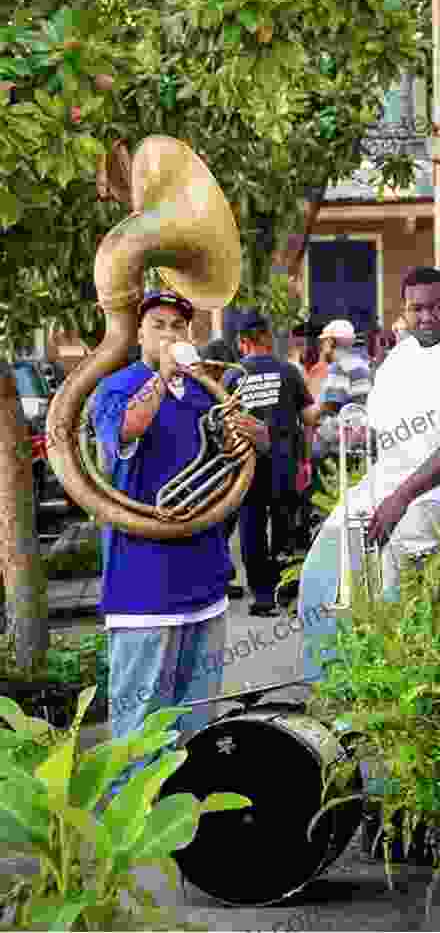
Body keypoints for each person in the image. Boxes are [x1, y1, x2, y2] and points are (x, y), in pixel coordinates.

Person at [297, 266, 440, 682]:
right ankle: (333, 690)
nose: (426, 316)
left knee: (391, 566)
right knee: (321, 571)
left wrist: (401, 499)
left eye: (435, 307)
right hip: (385, 487)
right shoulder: (398, 360)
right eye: (417, 309)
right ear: (405, 311)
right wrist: (361, 436)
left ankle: (391, 683)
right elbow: (381, 433)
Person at [93, 290, 271, 753]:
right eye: (159, 325)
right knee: (139, 733)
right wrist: (161, 378)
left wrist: (255, 437)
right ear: (138, 334)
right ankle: (132, 825)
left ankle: (185, 824)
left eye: (179, 326)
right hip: (143, 587)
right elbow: (125, 431)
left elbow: (231, 463)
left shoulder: (202, 392)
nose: (171, 334)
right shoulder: (117, 384)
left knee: (198, 732)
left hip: (205, 581)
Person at [223, 314, 318, 616]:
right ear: (267, 338)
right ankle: (284, 590)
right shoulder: (289, 372)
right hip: (283, 462)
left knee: (250, 526)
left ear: (243, 342)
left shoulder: (232, 376)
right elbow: (308, 420)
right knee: (283, 524)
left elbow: (222, 423)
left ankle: (261, 596)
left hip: (246, 464)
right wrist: (305, 459)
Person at [312, 319, 372, 462]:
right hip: (359, 435)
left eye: (324, 342)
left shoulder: (339, 366)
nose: (321, 347)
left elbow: (330, 405)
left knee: (309, 455)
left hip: (340, 439)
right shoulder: (361, 364)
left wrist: (309, 416)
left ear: (331, 342)